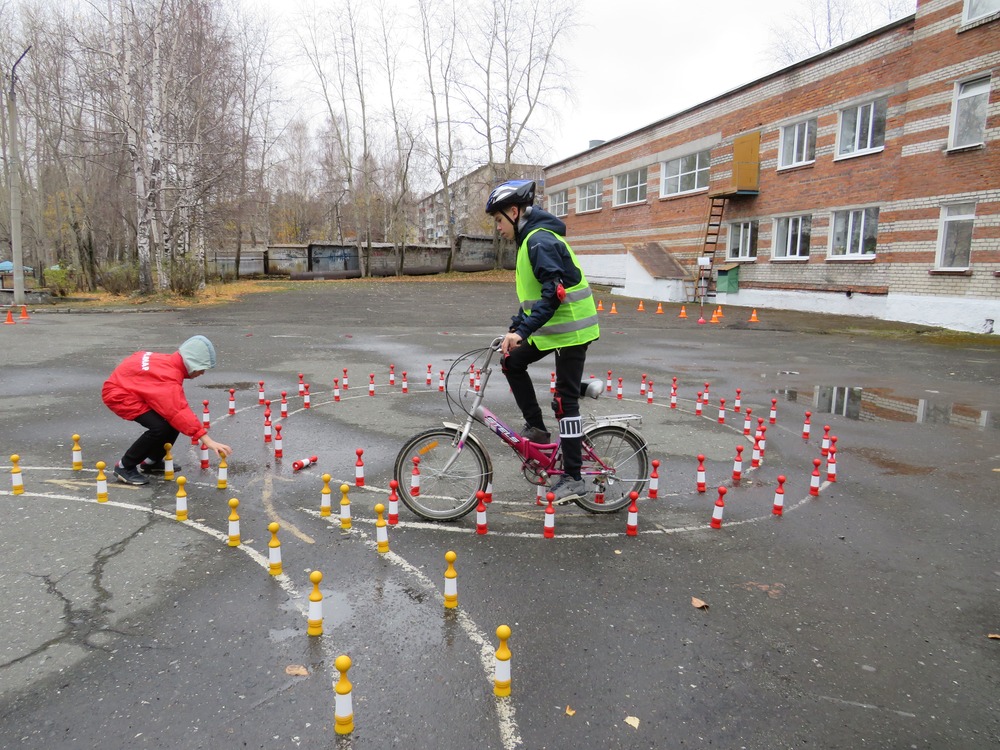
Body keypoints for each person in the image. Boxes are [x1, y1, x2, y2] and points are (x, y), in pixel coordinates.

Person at [486, 179, 600, 504]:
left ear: (513, 211)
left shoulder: (539, 241)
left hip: (573, 330)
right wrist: (513, 328)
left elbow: (553, 295)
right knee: (512, 360)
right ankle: (536, 429)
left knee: (564, 401)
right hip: (554, 329)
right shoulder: (528, 243)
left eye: (498, 219)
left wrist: (522, 332)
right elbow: (533, 301)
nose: (497, 227)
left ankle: (574, 477)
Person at [102, 334, 233, 485]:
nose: (202, 373)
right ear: (191, 364)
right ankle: (124, 466)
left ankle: (151, 462)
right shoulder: (168, 378)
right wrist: (207, 440)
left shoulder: (169, 363)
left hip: (133, 387)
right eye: (201, 369)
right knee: (160, 428)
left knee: (171, 424)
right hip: (119, 394)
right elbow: (178, 411)